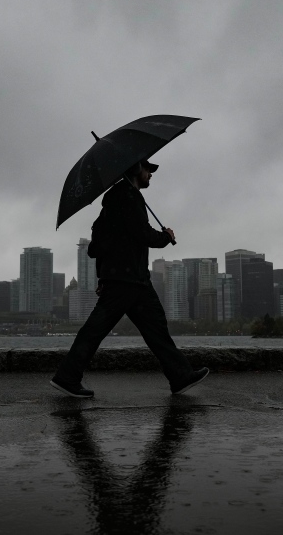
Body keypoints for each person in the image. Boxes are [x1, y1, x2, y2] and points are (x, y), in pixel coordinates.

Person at [50, 159, 209, 398]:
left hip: (128, 281)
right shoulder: (130, 198)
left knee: (153, 329)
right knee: (104, 329)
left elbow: (99, 244)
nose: (150, 175)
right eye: (147, 170)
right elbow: (143, 234)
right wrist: (165, 236)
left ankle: (180, 376)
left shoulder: (112, 203)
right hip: (129, 280)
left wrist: (102, 277)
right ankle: (67, 377)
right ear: (136, 170)